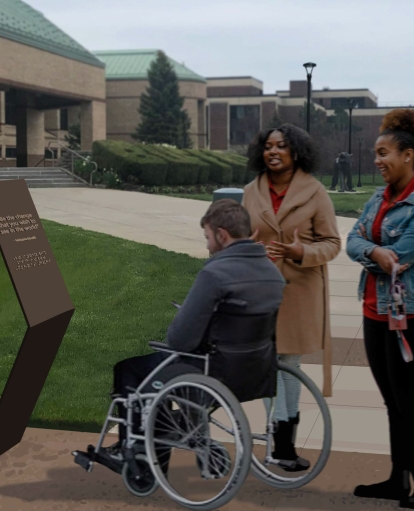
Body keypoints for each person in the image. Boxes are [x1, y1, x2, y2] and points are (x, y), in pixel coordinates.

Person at [109, 199, 286, 463]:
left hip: (212, 370)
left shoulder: (214, 273)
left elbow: (180, 339)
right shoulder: (273, 273)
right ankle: (162, 440)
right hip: (255, 370)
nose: (207, 244)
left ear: (222, 235)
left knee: (131, 371)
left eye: (207, 237)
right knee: (160, 374)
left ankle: (137, 455)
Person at [346, 108, 414, 510]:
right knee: (392, 402)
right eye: (376, 152)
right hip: (375, 314)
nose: (377, 160)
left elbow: (400, 258)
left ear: (408, 155)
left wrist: (369, 251)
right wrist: (372, 250)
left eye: (384, 152)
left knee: (412, 403)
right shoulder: (378, 196)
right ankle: (396, 480)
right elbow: (353, 239)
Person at [242, 123, 342, 471]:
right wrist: (247, 249)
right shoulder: (250, 192)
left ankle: (284, 445)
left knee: (290, 366)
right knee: (270, 364)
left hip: (300, 292)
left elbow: (332, 243)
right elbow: (239, 239)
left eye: (281, 146)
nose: (273, 151)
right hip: (260, 290)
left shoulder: (315, 193)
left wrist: (302, 252)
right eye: (268, 145)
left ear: (295, 152)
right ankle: (278, 447)